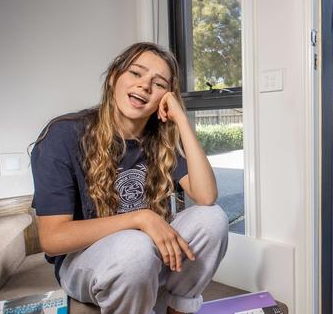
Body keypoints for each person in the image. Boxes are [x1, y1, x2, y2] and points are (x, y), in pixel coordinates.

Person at [31, 42, 229, 314]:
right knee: (133, 246)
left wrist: (181, 120)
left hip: (148, 259)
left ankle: (178, 308)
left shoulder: (158, 141)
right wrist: (141, 218)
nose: (145, 86)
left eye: (159, 84)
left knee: (212, 217)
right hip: (87, 263)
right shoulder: (63, 135)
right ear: (114, 77)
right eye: (136, 73)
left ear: (165, 97)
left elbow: (206, 196)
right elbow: (52, 239)